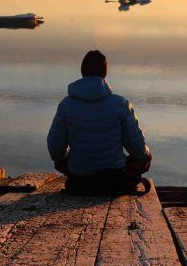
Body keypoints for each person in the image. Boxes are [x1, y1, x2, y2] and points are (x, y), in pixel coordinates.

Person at [47, 50, 152, 195]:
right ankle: (125, 181)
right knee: (146, 156)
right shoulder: (120, 104)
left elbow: (54, 149)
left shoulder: (66, 105)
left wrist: (67, 159)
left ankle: (82, 182)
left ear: (82, 72)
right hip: (115, 177)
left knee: (59, 160)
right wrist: (144, 155)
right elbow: (138, 149)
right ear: (104, 74)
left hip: (80, 177)